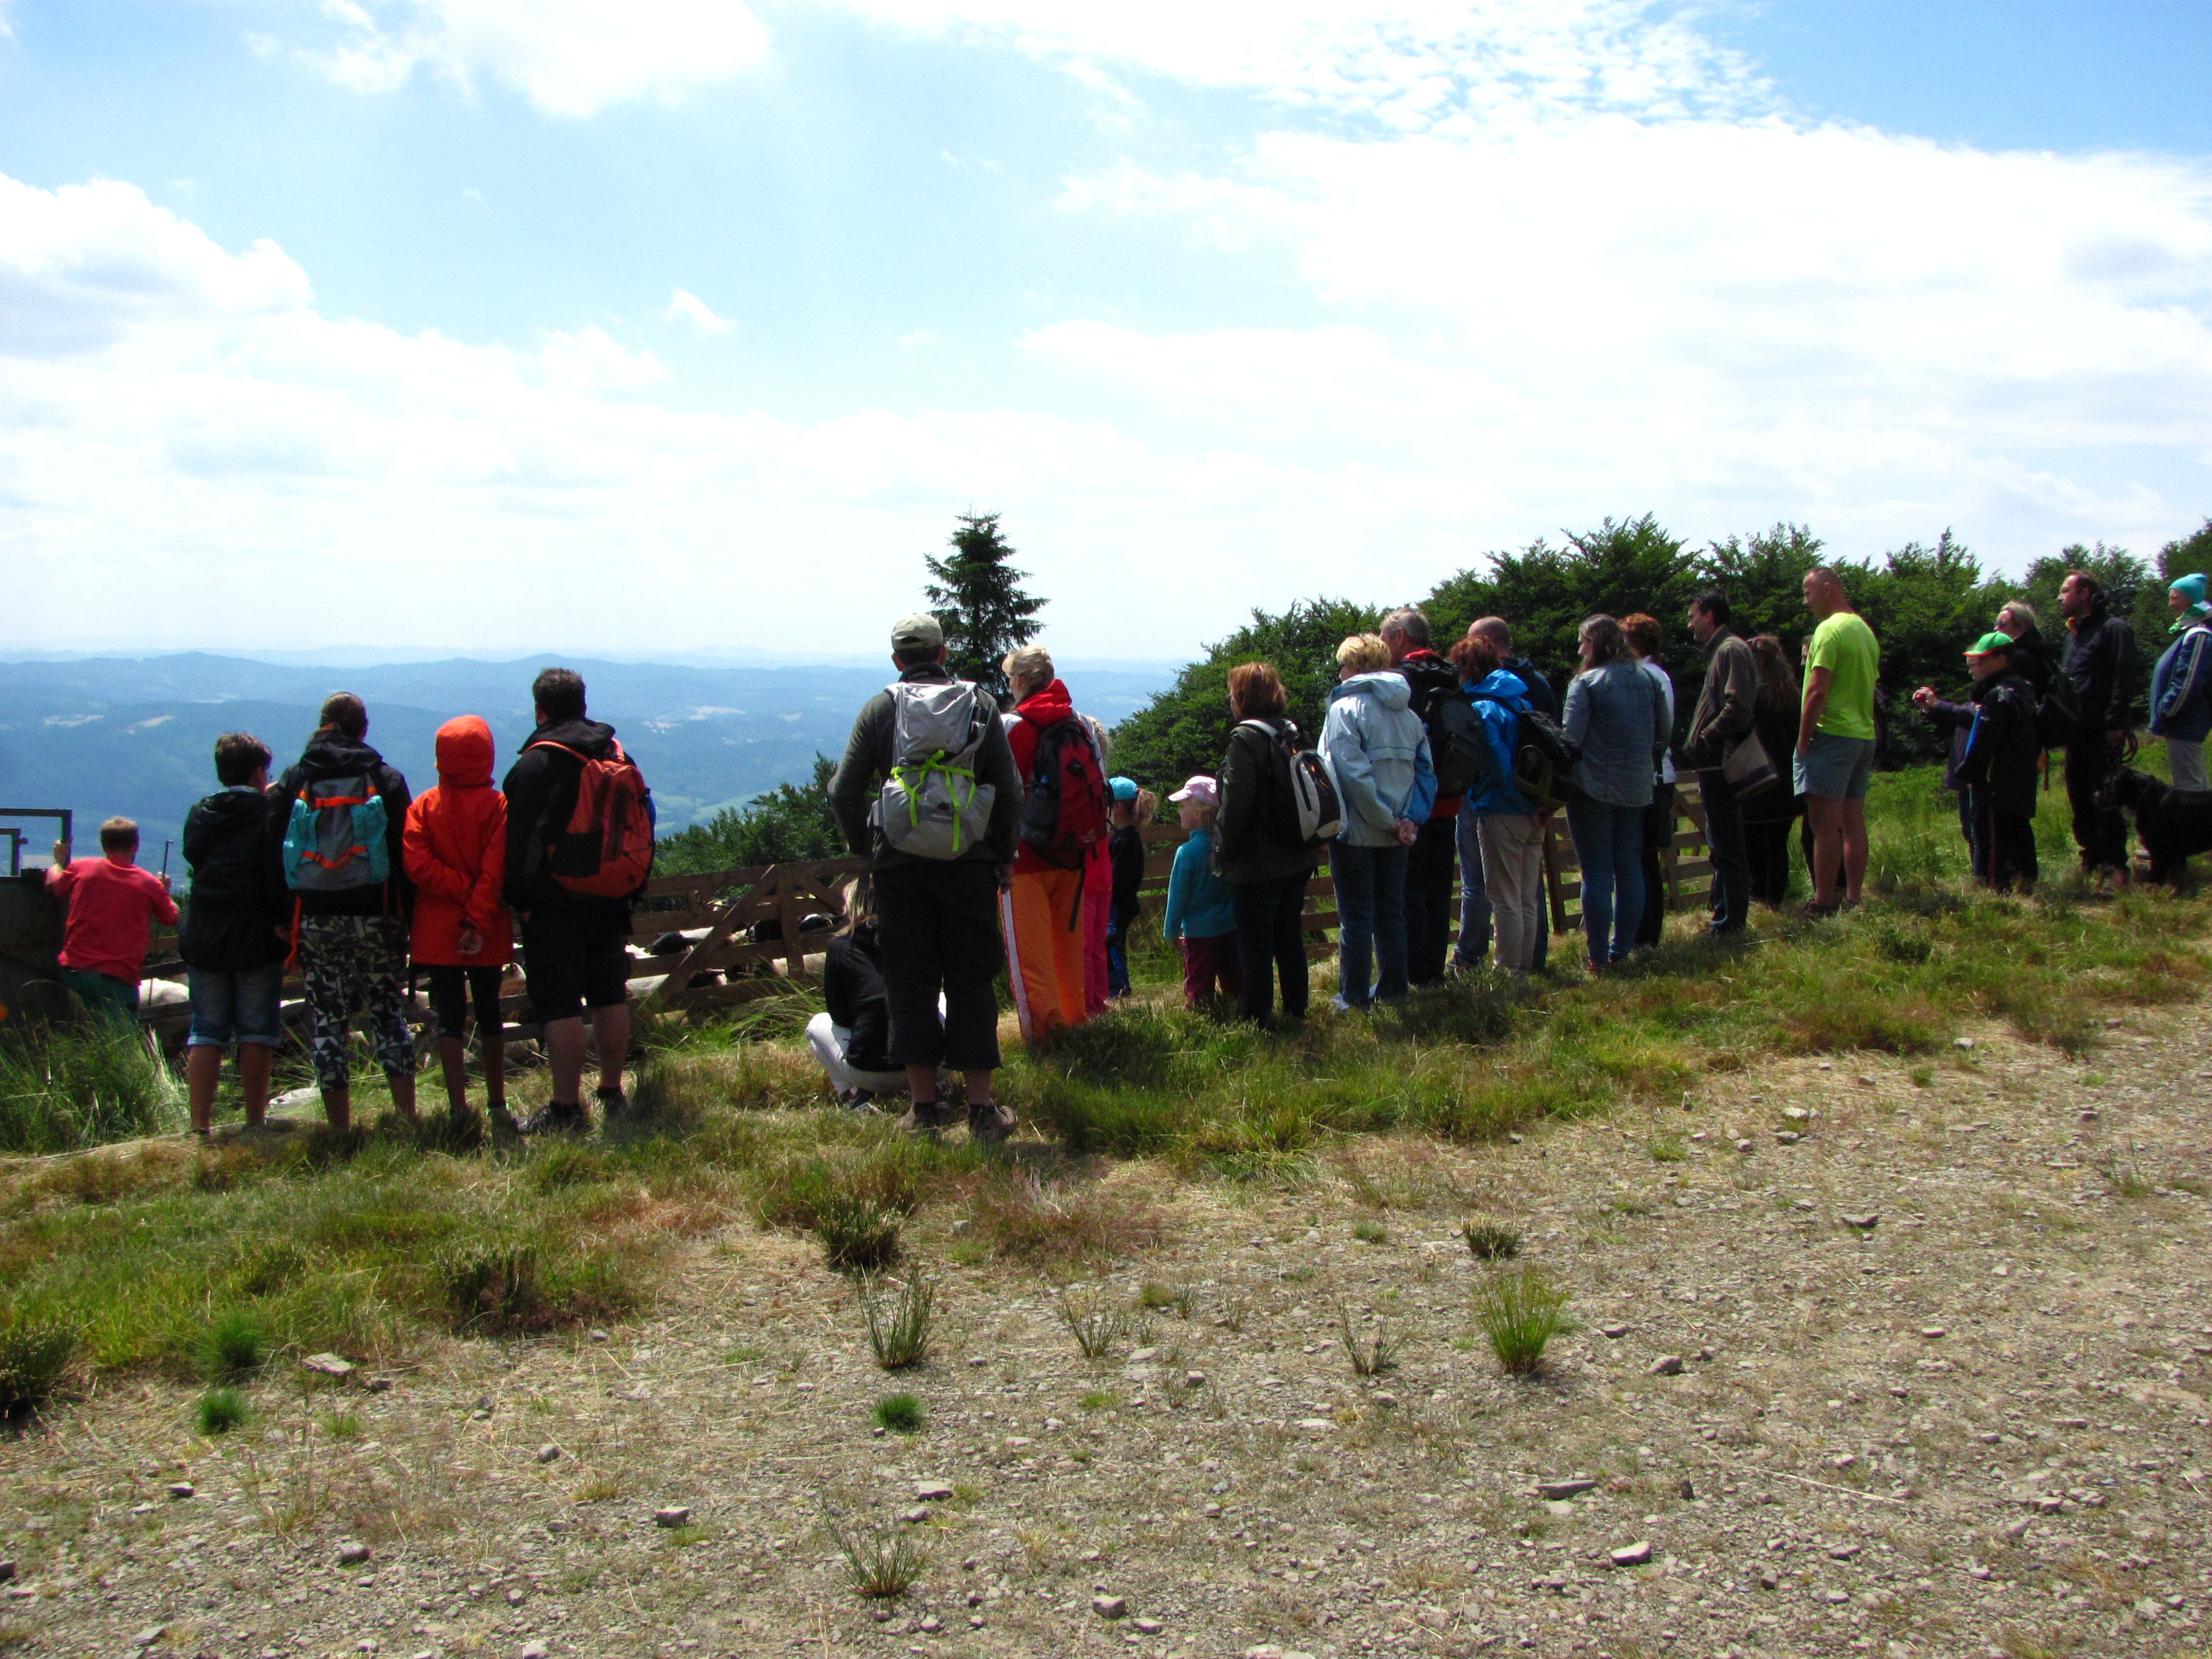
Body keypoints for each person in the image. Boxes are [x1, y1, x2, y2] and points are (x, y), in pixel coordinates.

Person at [828, 614, 1023, 1139]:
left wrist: (868, 850)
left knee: (909, 984)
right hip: (970, 864)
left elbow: (843, 791)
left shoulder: (880, 709)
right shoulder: (981, 705)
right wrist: (1003, 853)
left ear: (897, 659)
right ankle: (982, 1111)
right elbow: (1010, 790)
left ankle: (922, 1112)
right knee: (971, 982)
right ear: (942, 653)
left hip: (900, 868)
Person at [503, 668, 651, 1135]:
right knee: (609, 994)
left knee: (560, 1004)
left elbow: (519, 844)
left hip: (554, 902)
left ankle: (566, 1108)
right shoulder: (615, 752)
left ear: (539, 710)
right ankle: (612, 1091)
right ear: (583, 705)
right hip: (611, 895)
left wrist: (521, 900)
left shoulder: (536, 764)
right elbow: (642, 818)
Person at [270, 693, 414, 1130]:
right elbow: (404, 849)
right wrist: (407, 914)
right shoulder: (384, 777)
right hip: (378, 914)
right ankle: (407, 1117)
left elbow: (274, 849)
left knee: (328, 1022)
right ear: (362, 729)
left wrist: (281, 917)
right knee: (388, 1014)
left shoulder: (296, 778)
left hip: (314, 917)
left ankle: (339, 1128)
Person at [404, 715, 515, 1137]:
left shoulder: (423, 807)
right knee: (490, 1014)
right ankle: (498, 1104)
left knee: (448, 1017)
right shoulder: (498, 807)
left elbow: (417, 865)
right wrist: (477, 914)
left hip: (437, 931)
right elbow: (497, 871)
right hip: (486, 929)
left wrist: (458, 889)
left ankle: (457, 1108)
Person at [1321, 633, 1435, 1010]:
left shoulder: (1344, 709)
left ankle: (1353, 998)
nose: (1339, 673)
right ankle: (1394, 991)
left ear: (1355, 667)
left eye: (1342, 665)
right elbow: (1426, 773)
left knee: (1356, 918)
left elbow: (1351, 775)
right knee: (1391, 914)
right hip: (1400, 832)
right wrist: (1409, 821)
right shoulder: (1409, 714)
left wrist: (1386, 820)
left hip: (1358, 831)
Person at [179, 734, 286, 1134]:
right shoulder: (268, 813)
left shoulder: (201, 813)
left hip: (205, 934)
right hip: (255, 934)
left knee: (206, 1031)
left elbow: (194, 855)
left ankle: (199, 1125)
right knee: (257, 1031)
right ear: (259, 774)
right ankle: (255, 1119)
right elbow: (277, 869)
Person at [1000, 646, 1107, 1042]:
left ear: (1021, 681)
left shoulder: (1009, 726)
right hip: (1073, 853)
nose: (1008, 686)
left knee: (1031, 957)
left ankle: (1046, 1039)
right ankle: (1075, 1023)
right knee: (1068, 949)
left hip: (1023, 858)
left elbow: (995, 790)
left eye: (1009, 678)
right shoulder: (1079, 723)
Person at [1216, 662, 1321, 1027]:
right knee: (1290, 938)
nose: (1230, 700)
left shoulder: (1245, 738)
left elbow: (1236, 802)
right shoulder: (1292, 730)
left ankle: (1258, 1019)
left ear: (1243, 697)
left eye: (1232, 693)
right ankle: (1296, 1011)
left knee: (1256, 946)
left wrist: (1224, 849)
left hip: (1257, 861)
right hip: (1298, 852)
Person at [1561, 615, 1667, 970]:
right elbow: (1664, 733)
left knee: (1596, 873)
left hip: (1591, 788)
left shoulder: (1586, 683)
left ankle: (1598, 956)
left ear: (1597, 643)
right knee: (1630, 870)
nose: (1580, 650)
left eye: (1584, 642)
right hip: (1637, 787)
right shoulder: (1649, 680)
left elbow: (1570, 741)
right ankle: (1621, 952)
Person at [1458, 617, 1557, 972]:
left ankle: (1509, 973)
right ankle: (1527, 967)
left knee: (1504, 899)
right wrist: (1537, 806)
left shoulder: (1482, 709)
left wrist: (1519, 805)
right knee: (1527, 897)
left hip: (1502, 810)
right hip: (1534, 810)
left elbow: (1499, 768)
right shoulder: (1521, 702)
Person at [1381, 608, 1464, 987]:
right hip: (1449, 800)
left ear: (1400, 636)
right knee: (1438, 888)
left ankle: (1414, 971)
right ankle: (1434, 968)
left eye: (1385, 637)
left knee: (1409, 888)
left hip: (1413, 803)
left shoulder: (1402, 681)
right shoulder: (1451, 676)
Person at [1795, 568, 1881, 913]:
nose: (1806, 602)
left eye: (1808, 593)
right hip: (1863, 735)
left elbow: (1817, 690)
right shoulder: (1864, 631)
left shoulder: (1829, 630)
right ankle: (1854, 897)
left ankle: (1823, 901)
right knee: (1853, 821)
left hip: (1831, 735)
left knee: (1824, 826)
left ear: (1828, 589)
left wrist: (1803, 739)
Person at [806, 882, 937, 1107]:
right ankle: (939, 1090)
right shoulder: (912, 936)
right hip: (933, 1065)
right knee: (937, 1002)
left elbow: (839, 1016)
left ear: (852, 906)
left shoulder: (840, 945)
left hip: (871, 1072)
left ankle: (853, 1096)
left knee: (816, 1024)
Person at [46, 814, 178, 1025]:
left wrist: (59, 861)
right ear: (135, 846)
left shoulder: (82, 868)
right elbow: (171, 917)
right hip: (117, 977)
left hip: (75, 972)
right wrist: (164, 892)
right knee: (123, 1035)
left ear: (104, 846)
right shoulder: (148, 883)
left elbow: (55, 883)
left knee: (84, 1027)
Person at [1682, 592, 1758, 937]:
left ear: (1710, 615)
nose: (1689, 624)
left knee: (1728, 845)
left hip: (1721, 762)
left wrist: (1707, 737)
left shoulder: (1730, 649)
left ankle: (1731, 924)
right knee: (1722, 844)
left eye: (1693, 616)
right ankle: (1725, 917)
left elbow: (1738, 705)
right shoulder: (1726, 649)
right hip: (1714, 762)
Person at [2057, 569, 2139, 879]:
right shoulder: (2073, 634)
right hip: (2075, 730)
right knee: (2079, 798)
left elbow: (2124, 677)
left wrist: (2116, 723)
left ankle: (2114, 865)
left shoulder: (2114, 629)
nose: (2060, 597)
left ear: (2085, 594)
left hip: (2101, 730)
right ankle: (2091, 856)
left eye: (2066, 591)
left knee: (2105, 797)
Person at [1954, 632, 2043, 891]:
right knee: (2018, 830)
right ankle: (2025, 883)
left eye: (1982, 659)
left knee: (1992, 838)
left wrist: (1967, 771)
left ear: (2001, 658)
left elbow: (1986, 741)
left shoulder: (1999, 696)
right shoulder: (2024, 688)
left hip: (1996, 781)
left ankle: (1994, 889)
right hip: (2020, 777)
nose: (1977, 665)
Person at [1161, 776, 1243, 1009]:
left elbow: (1178, 897)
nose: (1179, 811)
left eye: (1183, 806)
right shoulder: (1227, 846)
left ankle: (1201, 1012)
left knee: (1199, 980)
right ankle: (1239, 1008)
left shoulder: (1187, 852)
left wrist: (1171, 931)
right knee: (1235, 977)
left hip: (1199, 932)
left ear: (1198, 814)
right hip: (1232, 925)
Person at [1622, 614, 1677, 947]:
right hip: (1657, 775)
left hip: (1650, 777)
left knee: (1641, 859)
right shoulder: (1658, 674)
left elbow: (1656, 731)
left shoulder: (1647, 677)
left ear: (1635, 643)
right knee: (1646, 860)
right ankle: (1647, 935)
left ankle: (1644, 936)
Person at [1742, 634, 1805, 905]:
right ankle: (1775, 899)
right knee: (1778, 845)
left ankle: (1758, 897)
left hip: (1759, 779)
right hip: (1787, 782)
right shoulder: (1792, 695)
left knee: (1754, 843)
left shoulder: (1753, 697)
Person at [1909, 679, 1981, 872]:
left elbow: (1972, 715)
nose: (1972, 672)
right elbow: (1952, 722)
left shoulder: (1991, 702)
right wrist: (1930, 709)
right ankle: (1980, 875)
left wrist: (1938, 705)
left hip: (1981, 778)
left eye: (1976, 666)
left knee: (1980, 832)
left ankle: (1985, 878)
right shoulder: (1972, 704)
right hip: (1966, 777)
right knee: (1969, 831)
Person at [2150, 574, 2212, 791]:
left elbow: (2187, 683)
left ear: (2188, 599)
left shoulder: (2198, 635)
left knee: (2190, 791)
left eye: (2174, 598)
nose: (2170, 604)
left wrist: (2166, 711)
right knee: (2196, 789)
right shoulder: (2191, 633)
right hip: (2181, 725)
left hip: (2185, 725)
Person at [1105, 777, 1148, 997]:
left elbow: (1118, 879)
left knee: (1111, 942)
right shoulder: (1127, 836)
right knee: (1115, 942)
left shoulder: (1124, 840)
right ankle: (1119, 986)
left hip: (1118, 905)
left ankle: (1118, 988)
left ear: (1117, 806)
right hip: (1124, 903)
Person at [1995, 600, 2055, 698]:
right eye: (1996, 624)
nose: (1997, 629)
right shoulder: (2040, 649)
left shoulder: (2019, 658)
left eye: (2002, 624)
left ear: (2020, 626)